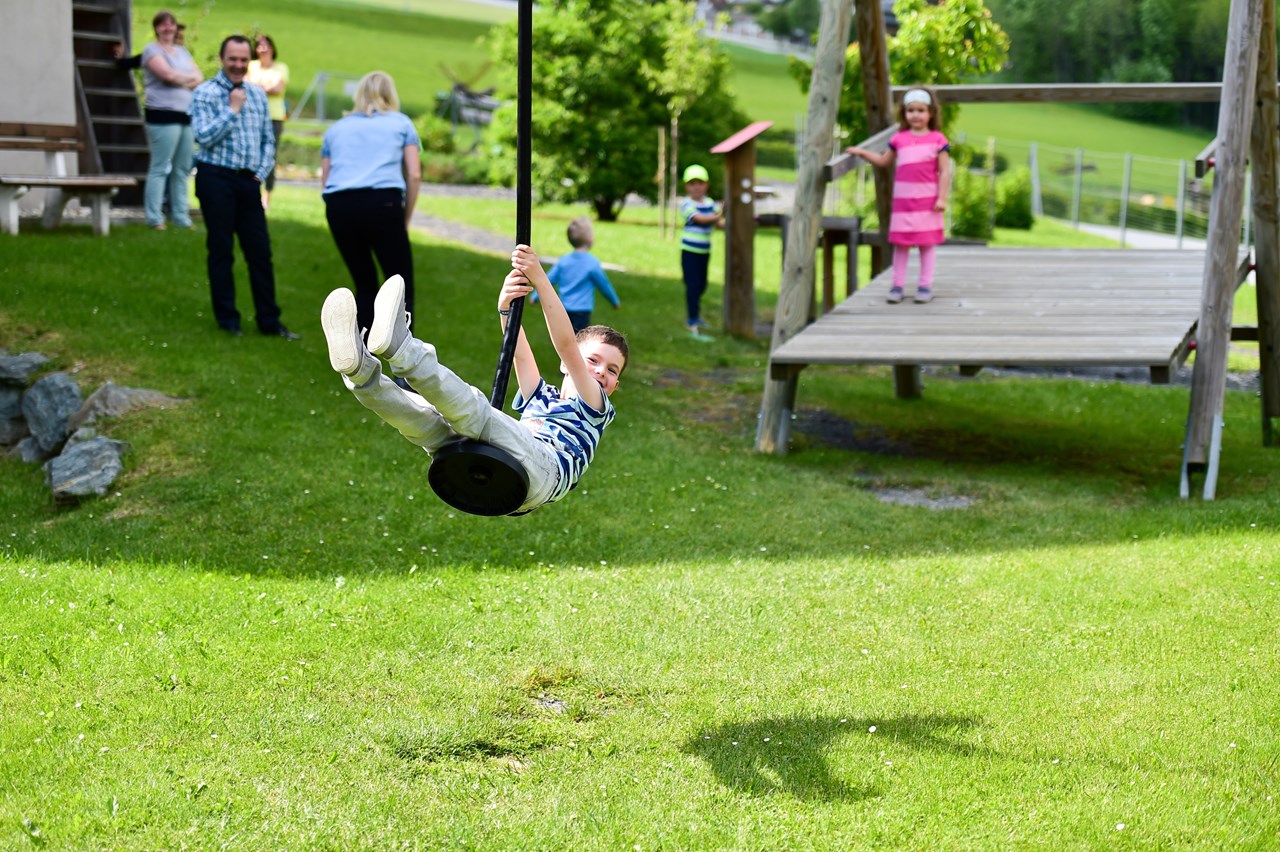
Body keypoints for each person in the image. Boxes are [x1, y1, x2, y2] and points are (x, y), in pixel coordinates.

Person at [320, 244, 627, 514]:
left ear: (614, 386)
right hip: (506, 473)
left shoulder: (594, 407)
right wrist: (506, 308)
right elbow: (516, 353)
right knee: (424, 421)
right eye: (594, 360)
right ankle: (360, 372)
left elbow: (566, 346)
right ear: (563, 366)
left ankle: (403, 349)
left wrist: (540, 278)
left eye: (613, 370)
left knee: (476, 411)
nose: (602, 371)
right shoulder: (542, 396)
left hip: (542, 471)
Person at [190, 35, 298, 339]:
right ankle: (228, 320)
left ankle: (269, 322)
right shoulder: (205, 93)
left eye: (242, 59)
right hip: (215, 178)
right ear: (222, 59)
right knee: (222, 250)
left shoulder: (259, 95)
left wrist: (260, 174)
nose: (237, 65)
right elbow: (203, 136)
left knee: (260, 253)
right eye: (232, 59)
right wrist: (232, 110)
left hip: (249, 181)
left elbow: (268, 140)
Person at [320, 71, 421, 337]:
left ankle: (361, 358)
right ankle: (404, 364)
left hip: (340, 205)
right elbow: (414, 173)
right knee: (399, 286)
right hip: (383, 204)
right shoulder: (402, 124)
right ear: (391, 93)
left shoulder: (336, 129)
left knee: (364, 283)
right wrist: (405, 217)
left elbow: (326, 178)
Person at [846, 86, 951, 304]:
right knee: (901, 244)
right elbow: (884, 161)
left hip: (928, 202)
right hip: (904, 203)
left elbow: (944, 172)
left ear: (931, 113)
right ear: (904, 113)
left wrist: (942, 197)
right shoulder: (899, 139)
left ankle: (924, 285)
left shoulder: (938, 140)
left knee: (926, 244)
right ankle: (897, 285)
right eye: (911, 110)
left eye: (921, 110)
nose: (916, 115)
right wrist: (863, 153)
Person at [137, 10, 201, 230]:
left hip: (186, 116)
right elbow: (167, 75)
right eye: (163, 24)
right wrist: (185, 79)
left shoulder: (182, 52)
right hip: (162, 116)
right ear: (156, 28)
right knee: (160, 167)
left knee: (182, 169)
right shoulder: (151, 50)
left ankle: (181, 217)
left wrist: (180, 79)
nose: (168, 28)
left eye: (171, 24)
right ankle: (154, 218)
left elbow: (199, 78)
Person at [541, 216, 620, 333]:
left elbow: (548, 280)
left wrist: (535, 297)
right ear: (590, 239)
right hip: (582, 311)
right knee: (580, 340)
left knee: (564, 338)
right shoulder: (592, 263)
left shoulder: (563, 261)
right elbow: (604, 284)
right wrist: (614, 301)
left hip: (563, 309)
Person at [678, 164, 722, 338]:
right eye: (692, 183)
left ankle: (696, 315)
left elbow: (717, 224)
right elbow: (701, 220)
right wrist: (719, 215)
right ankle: (692, 319)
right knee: (693, 285)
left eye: (700, 183)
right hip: (690, 251)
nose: (696, 187)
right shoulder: (687, 205)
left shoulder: (710, 203)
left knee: (702, 284)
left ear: (707, 185)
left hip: (704, 251)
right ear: (686, 187)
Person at [247, 33, 289, 211]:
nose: (262, 48)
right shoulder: (251, 66)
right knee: (252, 155)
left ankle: (267, 196)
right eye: (259, 45)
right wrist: (265, 88)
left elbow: (278, 89)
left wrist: (257, 87)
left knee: (270, 157)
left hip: (274, 117)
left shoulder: (281, 67)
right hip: (254, 116)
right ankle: (251, 192)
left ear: (272, 48)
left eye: (265, 45)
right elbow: (246, 86)